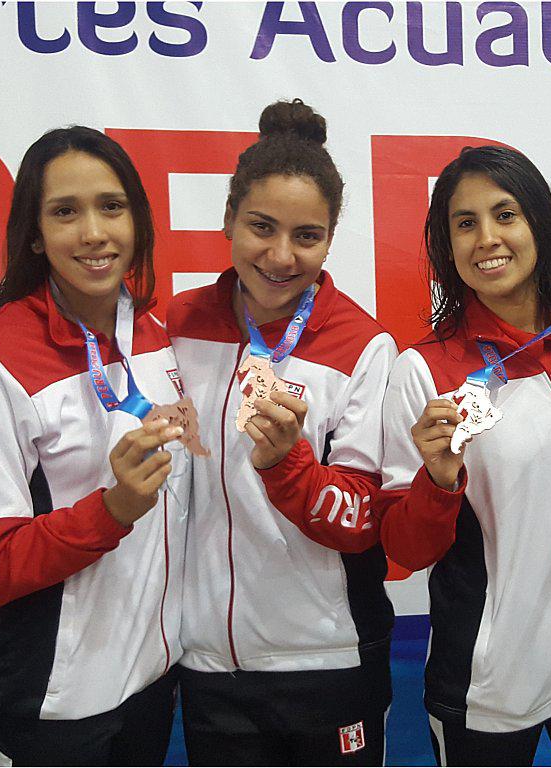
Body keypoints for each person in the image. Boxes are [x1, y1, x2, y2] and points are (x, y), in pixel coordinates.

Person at [0, 126, 189, 765]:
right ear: (35, 234)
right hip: (48, 704)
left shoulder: (153, 330)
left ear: (139, 221)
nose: (94, 233)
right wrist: (113, 510)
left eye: (112, 206)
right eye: (65, 212)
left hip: (150, 682)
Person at [378, 145, 551, 766]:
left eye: (505, 214)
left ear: (540, 227)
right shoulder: (425, 369)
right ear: (446, 246)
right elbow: (405, 550)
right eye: (464, 223)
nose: (487, 238)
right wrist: (438, 482)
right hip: (488, 680)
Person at [167, 99, 398, 765]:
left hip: (329, 659)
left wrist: (285, 465)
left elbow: (363, 518)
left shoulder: (362, 345)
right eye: (261, 227)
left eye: (307, 236)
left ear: (330, 239)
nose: (280, 255)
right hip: (209, 661)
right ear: (228, 221)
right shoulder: (176, 330)